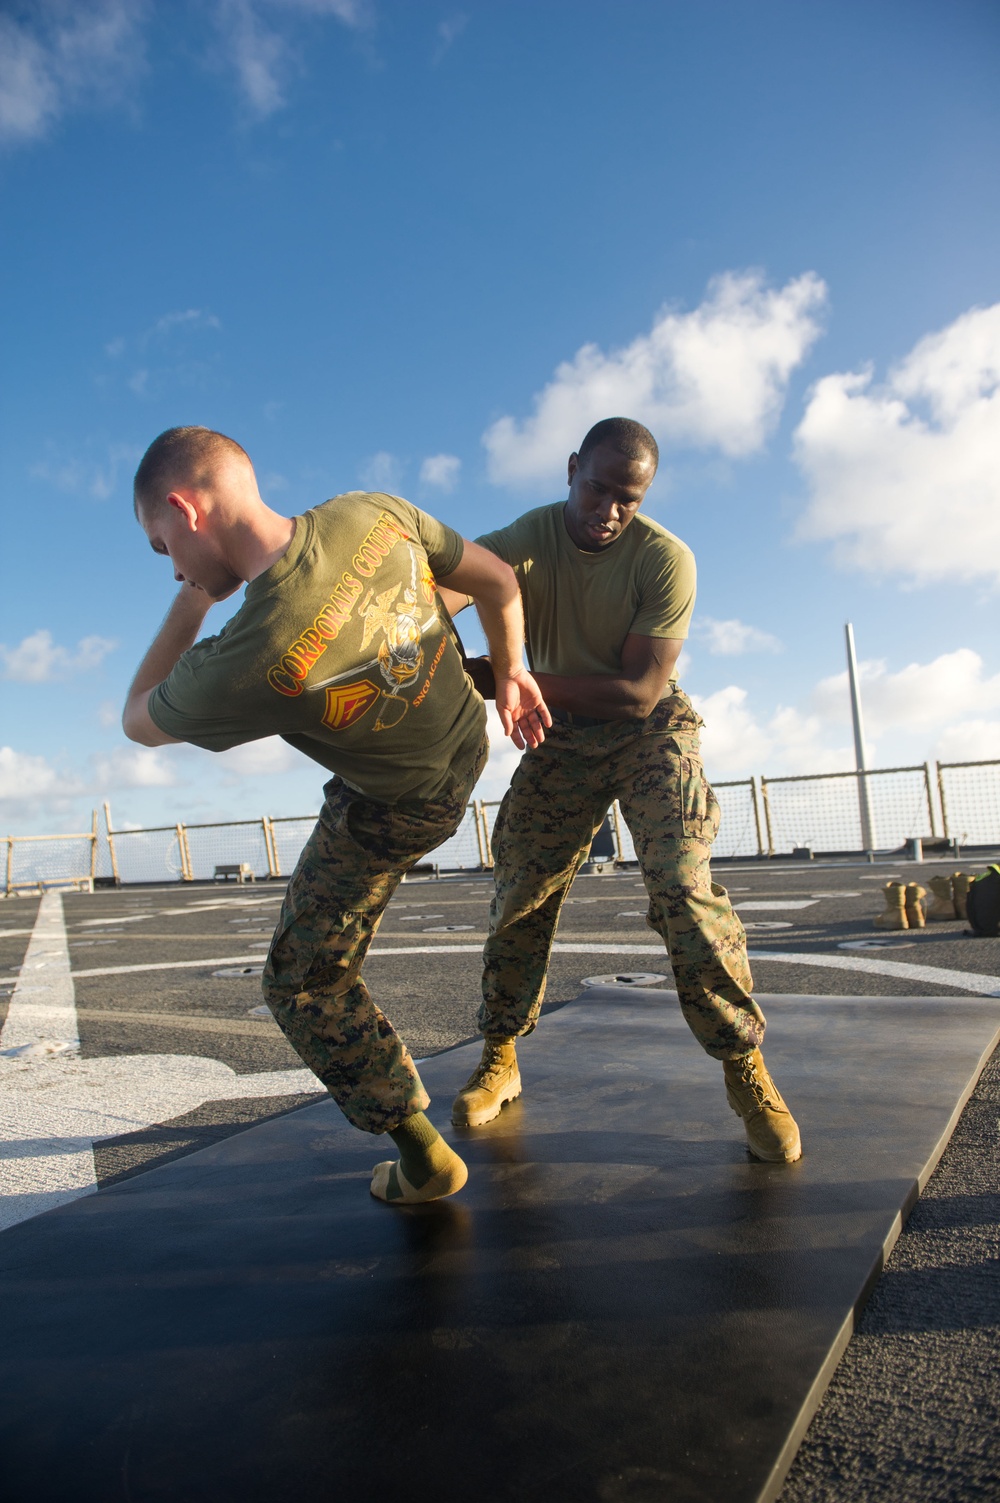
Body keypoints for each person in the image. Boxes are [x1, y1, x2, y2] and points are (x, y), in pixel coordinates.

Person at [123, 425, 549, 1204]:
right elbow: (497, 579)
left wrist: (191, 602)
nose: (174, 567)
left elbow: (135, 718)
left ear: (186, 508)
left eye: (164, 547)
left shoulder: (242, 656)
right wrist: (513, 669)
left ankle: (423, 1158)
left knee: (300, 981)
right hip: (465, 743)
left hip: (399, 804)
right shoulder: (372, 511)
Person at [440, 417, 801, 1163]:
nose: (608, 508)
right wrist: (409, 627)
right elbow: (446, 589)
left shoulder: (666, 559)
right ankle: (500, 1056)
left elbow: (639, 691)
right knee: (518, 890)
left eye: (627, 499)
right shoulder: (526, 538)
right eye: (597, 487)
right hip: (562, 732)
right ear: (572, 469)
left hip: (649, 731)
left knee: (680, 884)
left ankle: (745, 1068)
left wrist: (508, 677)